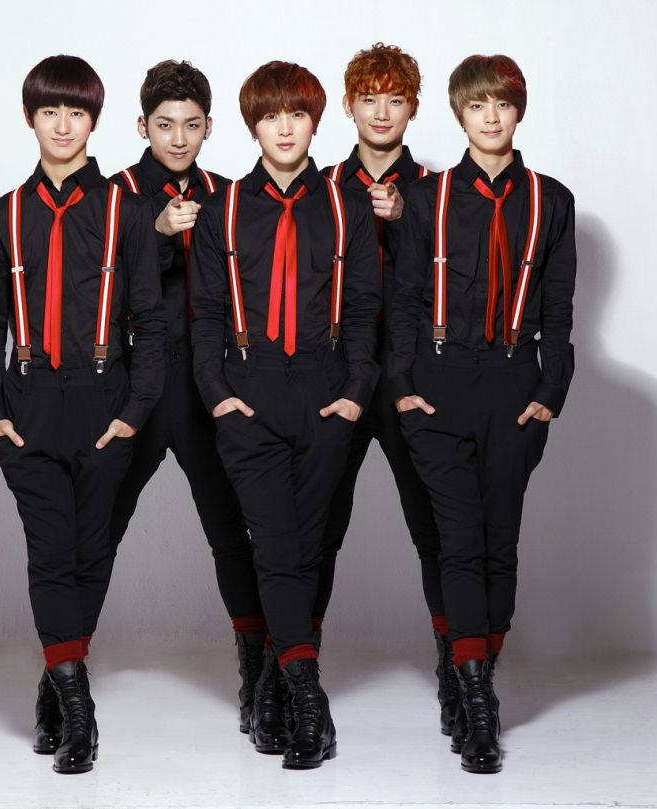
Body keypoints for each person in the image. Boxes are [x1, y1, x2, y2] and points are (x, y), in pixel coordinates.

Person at [0, 54, 166, 774]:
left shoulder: (127, 212)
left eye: (76, 112)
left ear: (94, 120)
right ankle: (80, 712)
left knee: (91, 553)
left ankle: (55, 681)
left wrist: (135, 411)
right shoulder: (2, 216)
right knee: (51, 552)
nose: (62, 125)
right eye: (49, 111)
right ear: (29, 117)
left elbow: (151, 322)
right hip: (27, 406)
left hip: (105, 404)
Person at [388, 54, 576, 773]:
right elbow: (405, 301)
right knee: (460, 543)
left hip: (513, 384)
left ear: (518, 110)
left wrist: (548, 392)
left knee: (500, 543)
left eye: (502, 104)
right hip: (437, 385)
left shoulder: (551, 200)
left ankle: (475, 674)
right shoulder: (426, 197)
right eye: (476, 105)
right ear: (458, 114)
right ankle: (478, 703)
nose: (490, 117)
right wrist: (403, 387)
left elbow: (558, 311)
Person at [191, 60, 381, 769]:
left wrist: (355, 391)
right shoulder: (222, 210)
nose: (284, 128)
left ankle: (275, 680)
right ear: (252, 125)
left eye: (296, 114)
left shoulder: (345, 206)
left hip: (326, 390)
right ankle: (309, 700)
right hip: (250, 390)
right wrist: (219, 396)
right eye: (270, 116)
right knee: (274, 546)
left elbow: (363, 310)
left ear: (314, 121)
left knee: (311, 546)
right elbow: (205, 315)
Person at [108, 59, 264, 734]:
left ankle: (258, 678)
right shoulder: (112, 196)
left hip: (208, 387)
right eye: (165, 125)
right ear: (142, 126)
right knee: (96, 530)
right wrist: (154, 232)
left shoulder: (229, 196)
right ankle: (61, 677)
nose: (178, 138)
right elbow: (84, 284)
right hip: (133, 387)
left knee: (232, 532)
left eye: (191, 125)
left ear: (209, 127)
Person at [318, 43, 458, 736]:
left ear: (413, 108)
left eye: (394, 99)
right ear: (348, 105)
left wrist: (407, 220)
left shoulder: (437, 190)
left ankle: (457, 669)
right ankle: (294, 675)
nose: (380, 112)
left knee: (436, 528)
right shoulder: (316, 185)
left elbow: (455, 284)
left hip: (410, 379)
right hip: (335, 378)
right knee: (314, 527)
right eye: (368, 98)